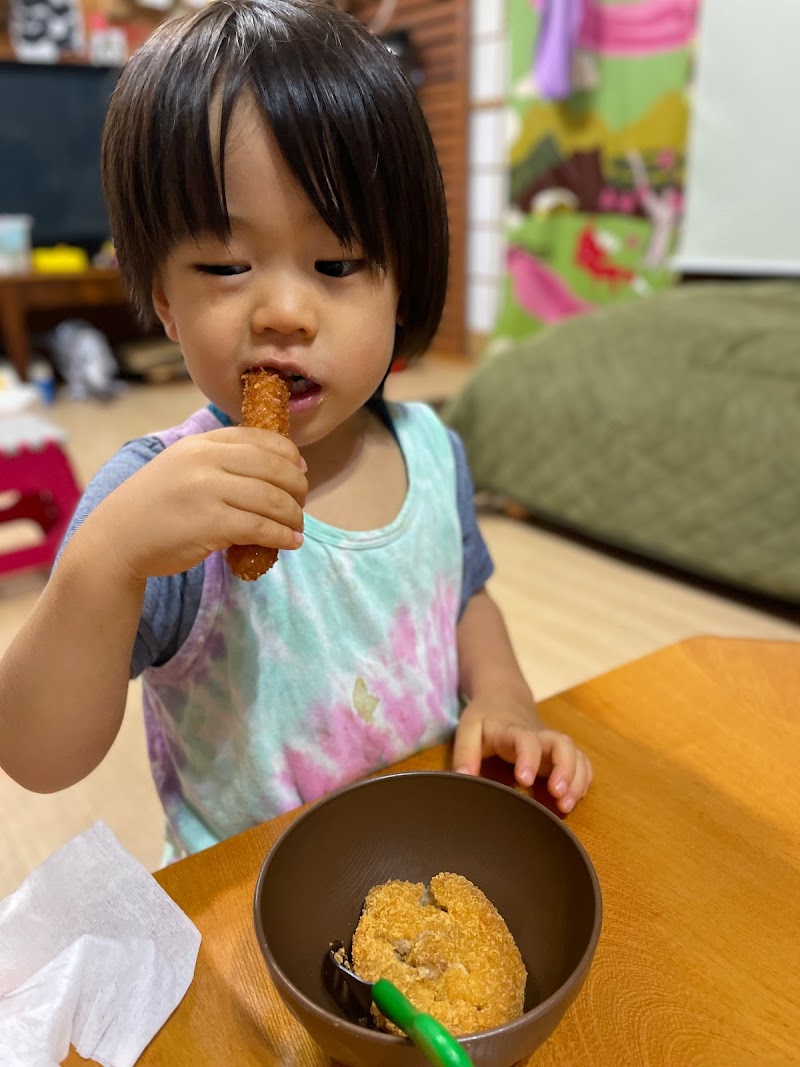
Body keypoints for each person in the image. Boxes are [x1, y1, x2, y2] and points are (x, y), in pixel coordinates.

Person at [0, 0, 592, 860]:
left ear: (402, 280)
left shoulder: (431, 450)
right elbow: (36, 756)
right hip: (245, 903)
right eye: (227, 265)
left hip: (420, 857)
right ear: (164, 297)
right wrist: (107, 563)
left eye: (338, 263)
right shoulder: (156, 499)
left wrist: (502, 694)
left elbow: (463, 594)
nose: (282, 311)